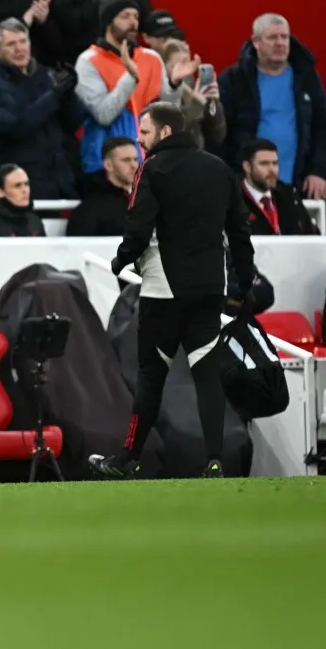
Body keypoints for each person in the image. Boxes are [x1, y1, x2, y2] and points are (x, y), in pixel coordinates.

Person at [91, 102, 255, 480]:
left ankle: (128, 458)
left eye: (144, 132)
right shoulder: (219, 168)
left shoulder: (153, 168)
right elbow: (240, 231)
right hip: (210, 288)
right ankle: (215, 460)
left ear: (164, 132)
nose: (140, 139)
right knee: (207, 377)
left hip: (164, 291)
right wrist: (243, 283)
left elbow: (138, 224)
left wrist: (121, 260)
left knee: (151, 376)